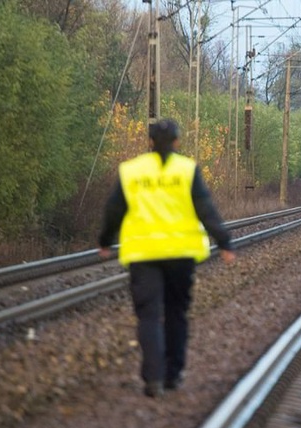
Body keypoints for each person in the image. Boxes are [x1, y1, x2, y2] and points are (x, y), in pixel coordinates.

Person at [98, 118, 236, 398]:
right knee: (176, 314)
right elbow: (205, 208)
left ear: (149, 141)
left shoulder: (132, 171)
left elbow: (114, 210)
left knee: (148, 316)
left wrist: (105, 241)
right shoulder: (186, 170)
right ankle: (174, 375)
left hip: (144, 254)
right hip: (180, 254)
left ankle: (153, 379)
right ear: (177, 141)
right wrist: (223, 241)